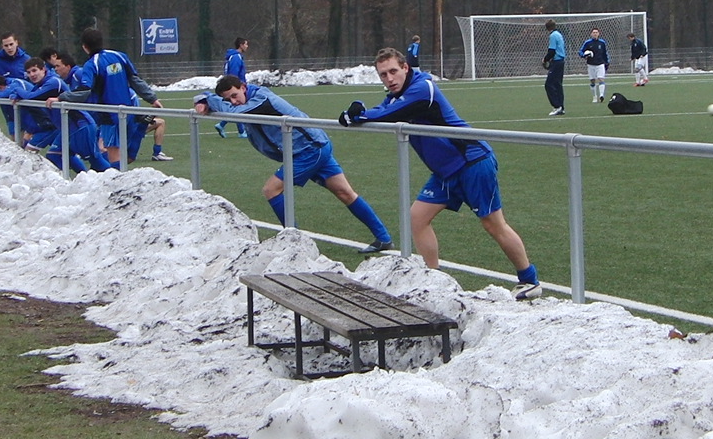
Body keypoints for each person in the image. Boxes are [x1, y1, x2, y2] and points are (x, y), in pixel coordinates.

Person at [339, 47, 541, 299]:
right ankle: (434, 281)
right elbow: (380, 110)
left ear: (405, 68)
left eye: (393, 71)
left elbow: (386, 114)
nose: (389, 79)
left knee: (493, 224)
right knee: (418, 217)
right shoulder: (395, 97)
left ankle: (530, 280)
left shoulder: (423, 88)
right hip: (446, 171)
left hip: (472, 162)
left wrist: (358, 115)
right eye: (383, 74)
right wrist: (356, 114)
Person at [194, 75, 392, 253]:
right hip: (310, 148)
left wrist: (207, 98)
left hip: (310, 150)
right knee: (345, 192)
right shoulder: (248, 99)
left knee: (271, 190)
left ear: (244, 87)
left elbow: (236, 114)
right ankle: (384, 238)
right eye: (228, 99)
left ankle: (296, 244)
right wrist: (203, 99)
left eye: (235, 95)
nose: (233, 101)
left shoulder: (261, 98)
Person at [64, 28, 163, 163]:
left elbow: (84, 90)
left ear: (84, 47)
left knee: (114, 156)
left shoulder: (92, 64)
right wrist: (152, 98)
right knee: (126, 157)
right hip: (128, 112)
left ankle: (116, 176)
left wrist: (61, 98)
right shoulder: (119, 55)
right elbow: (135, 79)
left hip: (109, 116)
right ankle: (140, 129)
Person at [218, 38, 250, 137]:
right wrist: (236, 86)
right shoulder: (236, 57)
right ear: (241, 45)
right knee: (239, 107)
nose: (247, 46)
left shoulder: (234, 56)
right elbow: (234, 74)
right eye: (246, 44)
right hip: (236, 87)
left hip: (236, 85)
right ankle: (241, 131)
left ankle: (221, 124)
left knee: (237, 108)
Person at [579, 28, 611, 104]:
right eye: (593, 32)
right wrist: (584, 55)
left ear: (598, 34)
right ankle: (594, 97)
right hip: (591, 64)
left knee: (601, 79)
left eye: (596, 32)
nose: (595, 34)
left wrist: (607, 62)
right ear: (591, 34)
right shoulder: (587, 43)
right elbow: (580, 51)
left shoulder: (602, 43)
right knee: (592, 81)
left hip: (600, 64)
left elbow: (605, 53)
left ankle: (601, 95)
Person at [543, 20, 566, 116]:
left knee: (548, 84)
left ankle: (557, 106)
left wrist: (545, 59)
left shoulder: (553, 36)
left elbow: (552, 51)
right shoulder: (559, 34)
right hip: (561, 61)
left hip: (557, 61)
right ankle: (561, 107)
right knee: (557, 85)